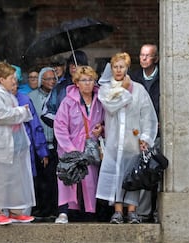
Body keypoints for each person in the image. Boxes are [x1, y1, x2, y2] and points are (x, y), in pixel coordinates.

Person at [96, 52, 158, 224]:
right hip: (115, 142)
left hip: (133, 141)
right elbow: (111, 106)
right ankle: (117, 210)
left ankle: (132, 211)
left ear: (127, 67)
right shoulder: (106, 89)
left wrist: (146, 136)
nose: (118, 70)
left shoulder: (139, 89)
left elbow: (147, 115)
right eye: (115, 66)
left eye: (121, 66)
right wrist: (122, 88)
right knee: (116, 175)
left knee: (133, 176)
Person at [0, 62, 36, 225]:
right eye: (12, 78)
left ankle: (15, 210)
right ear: (2, 79)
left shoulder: (7, 94)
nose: (15, 81)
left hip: (12, 145)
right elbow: (2, 115)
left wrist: (21, 112)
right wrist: (22, 111)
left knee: (15, 179)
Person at [53, 66, 105, 224]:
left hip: (90, 146)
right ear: (77, 83)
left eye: (90, 79)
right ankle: (64, 212)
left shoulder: (100, 100)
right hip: (70, 147)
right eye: (84, 80)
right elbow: (60, 126)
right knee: (68, 179)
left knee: (90, 181)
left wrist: (101, 129)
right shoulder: (68, 101)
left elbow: (106, 122)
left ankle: (90, 213)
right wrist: (70, 149)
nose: (88, 83)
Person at [130, 44, 161, 223]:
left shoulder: (164, 77)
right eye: (141, 55)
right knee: (142, 171)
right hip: (140, 131)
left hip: (160, 131)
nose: (143, 59)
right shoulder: (133, 77)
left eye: (148, 56)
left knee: (158, 170)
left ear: (155, 59)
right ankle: (143, 212)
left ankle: (158, 211)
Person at [11, 78, 49, 218]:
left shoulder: (24, 99)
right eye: (11, 83)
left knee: (25, 182)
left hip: (24, 149)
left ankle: (23, 213)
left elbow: (35, 127)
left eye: (15, 84)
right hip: (4, 149)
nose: (13, 86)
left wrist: (42, 151)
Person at [28, 67, 59, 218]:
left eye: (54, 79)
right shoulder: (31, 96)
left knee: (53, 179)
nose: (52, 81)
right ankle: (40, 209)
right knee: (39, 180)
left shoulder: (58, 95)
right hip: (38, 144)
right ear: (41, 80)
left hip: (55, 144)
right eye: (48, 79)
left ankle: (52, 210)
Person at [42, 50, 89, 128]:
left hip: (86, 136)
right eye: (71, 63)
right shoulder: (59, 88)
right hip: (63, 136)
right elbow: (46, 112)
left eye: (78, 63)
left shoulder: (92, 86)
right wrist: (62, 123)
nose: (73, 66)